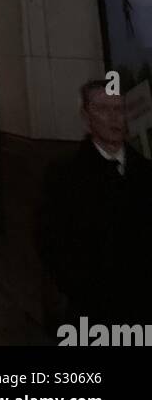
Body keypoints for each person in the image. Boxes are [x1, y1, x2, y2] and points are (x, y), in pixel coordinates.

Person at [38, 80, 152, 326]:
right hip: (90, 310)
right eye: (103, 109)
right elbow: (49, 238)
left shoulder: (145, 172)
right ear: (86, 116)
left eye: (119, 109)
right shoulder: (64, 174)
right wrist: (77, 287)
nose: (114, 118)